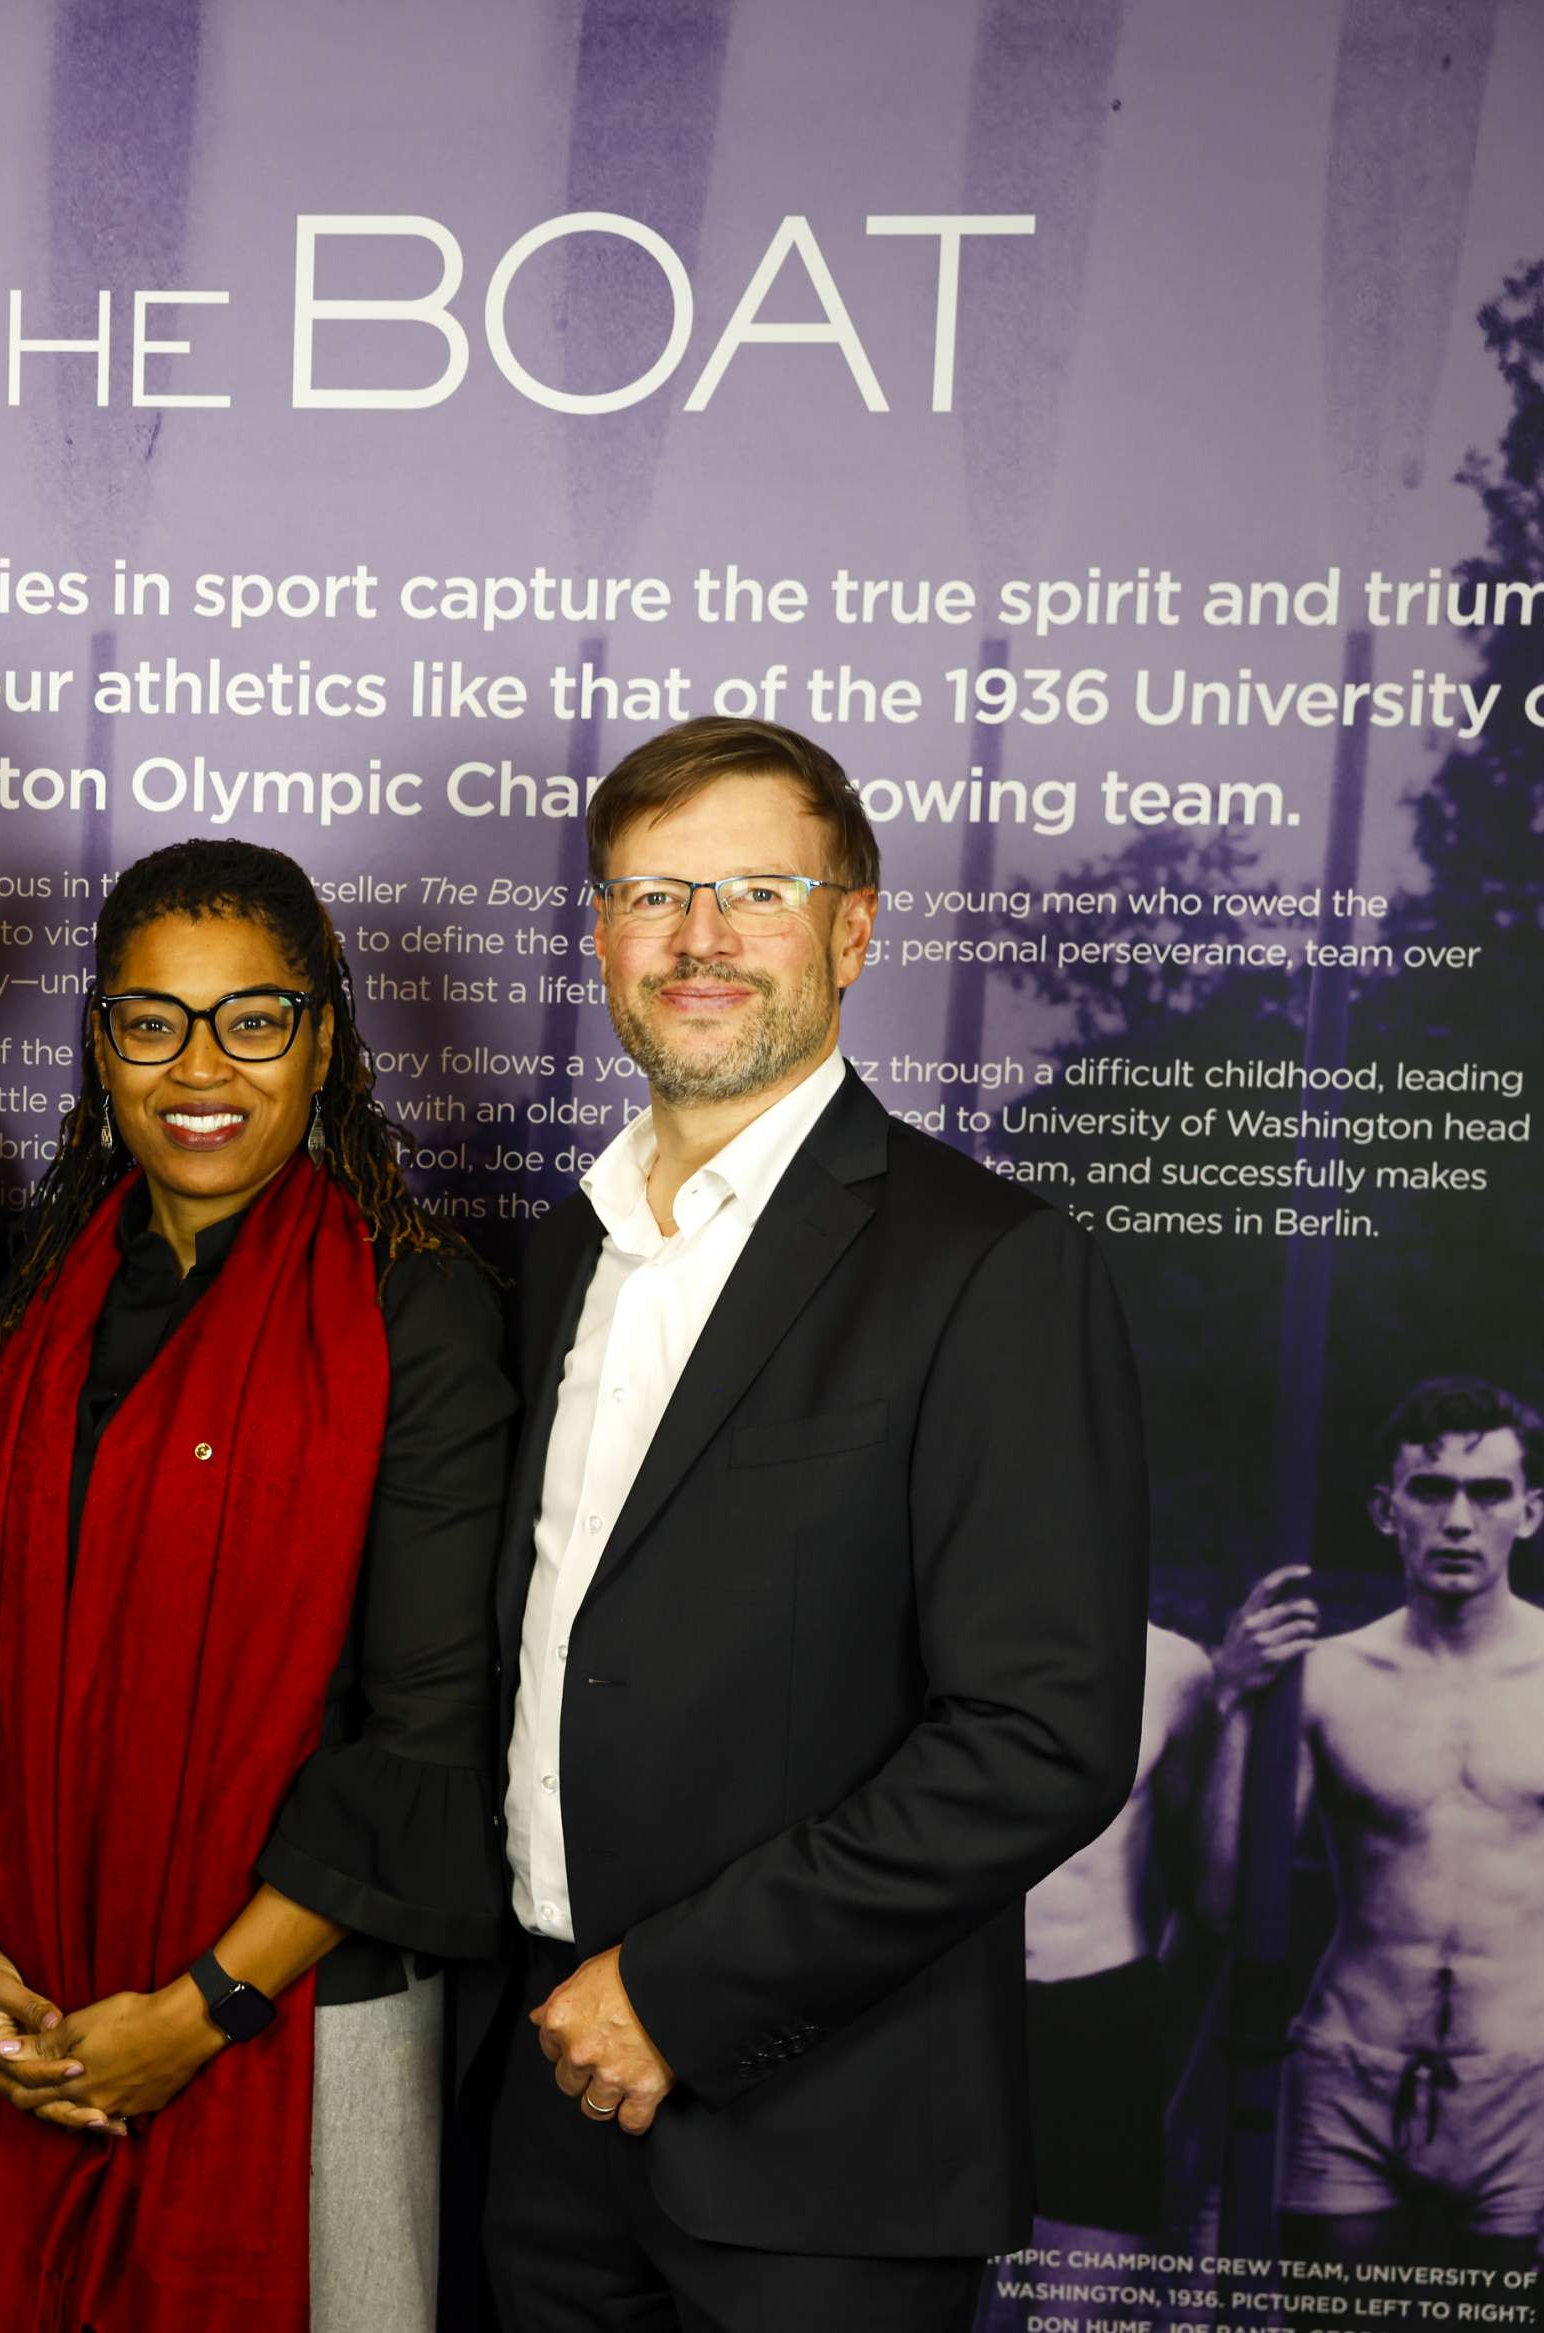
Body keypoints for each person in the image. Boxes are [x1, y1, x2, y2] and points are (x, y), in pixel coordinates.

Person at [481, 715, 1149, 2331]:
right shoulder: (558, 1257)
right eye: (653, 894)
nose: (699, 939)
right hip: (544, 2115)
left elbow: (1038, 1735)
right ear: (600, 935)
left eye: (755, 891)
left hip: (823, 2156)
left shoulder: (986, 1263)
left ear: (853, 927)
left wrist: (673, 1992)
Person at [0, 839, 515, 2333]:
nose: (198, 1066)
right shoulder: (38, 1295)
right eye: (153, 1020)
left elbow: (424, 1735)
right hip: (27, 2005)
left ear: (325, 1037)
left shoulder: (411, 1307)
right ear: (101, 1041)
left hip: (298, 2022)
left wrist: (196, 2012)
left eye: (253, 1018)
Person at [1208, 1374, 1544, 2279]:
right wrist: (1238, 1703)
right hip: (1347, 2069)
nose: (1457, 1519)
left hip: (1529, 2074)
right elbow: (1225, 1895)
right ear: (1385, 1508)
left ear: (1529, 1512)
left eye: (1486, 1493)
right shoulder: (1326, 1677)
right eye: (1430, 1489)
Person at [980, 1622, 1217, 2332]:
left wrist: (1153, 2019)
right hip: (949, 2013)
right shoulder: (936, 1640)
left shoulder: (1175, 1668)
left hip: (1101, 2007)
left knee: (1077, 2312)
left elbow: (1199, 1880)